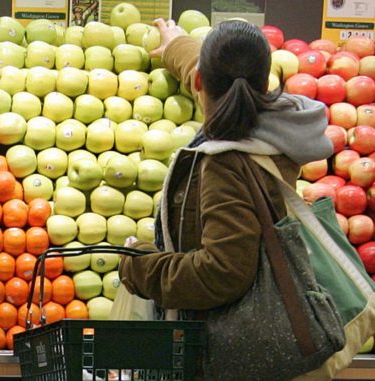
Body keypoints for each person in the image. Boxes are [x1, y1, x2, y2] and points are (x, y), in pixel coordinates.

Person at [118, 19, 334, 378]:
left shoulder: (226, 162)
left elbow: (223, 272)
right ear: (265, 83)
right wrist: (177, 46)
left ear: (201, 82)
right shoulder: (280, 123)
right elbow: (217, 79)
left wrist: (139, 266)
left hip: (230, 357)